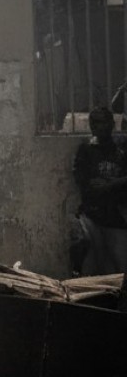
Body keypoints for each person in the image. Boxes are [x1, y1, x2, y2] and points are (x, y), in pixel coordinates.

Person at [72, 106, 127, 276]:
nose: (97, 127)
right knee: (91, 265)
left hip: (117, 215)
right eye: (93, 123)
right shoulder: (86, 150)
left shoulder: (122, 148)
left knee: (121, 266)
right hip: (92, 214)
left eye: (101, 122)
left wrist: (111, 184)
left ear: (111, 124)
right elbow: (84, 183)